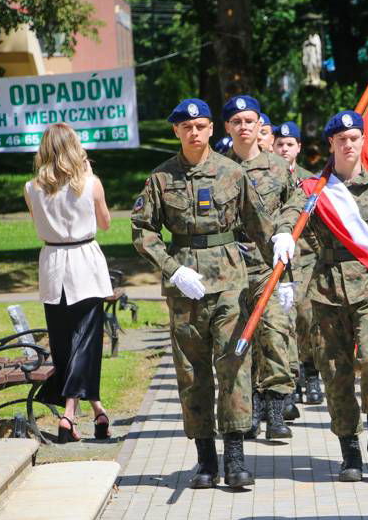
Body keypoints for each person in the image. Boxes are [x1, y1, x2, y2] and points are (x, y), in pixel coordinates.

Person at [131, 98, 273, 489]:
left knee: (233, 366)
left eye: (201, 126)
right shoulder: (161, 179)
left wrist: (281, 261)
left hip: (229, 280)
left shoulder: (232, 173)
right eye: (186, 127)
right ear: (176, 131)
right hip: (186, 288)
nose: (194, 133)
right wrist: (172, 270)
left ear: (212, 129)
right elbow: (142, 231)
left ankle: (236, 457)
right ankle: (206, 460)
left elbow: (259, 224)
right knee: (193, 374)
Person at [275, 110, 368, 481]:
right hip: (327, 290)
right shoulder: (314, 191)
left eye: (354, 138)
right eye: (341, 139)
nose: (348, 144)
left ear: (363, 141)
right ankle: (350, 449)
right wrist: (284, 233)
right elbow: (289, 217)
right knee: (337, 374)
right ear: (331, 144)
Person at [24, 123, 114, 444]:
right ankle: (70, 413)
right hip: (84, 262)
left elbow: (38, 223)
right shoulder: (90, 183)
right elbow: (105, 223)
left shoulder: (31, 187)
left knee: (64, 343)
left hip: (53, 263)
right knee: (85, 342)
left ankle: (97, 411)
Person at [221, 95, 297, 439]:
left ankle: (276, 411)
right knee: (239, 342)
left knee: (276, 337)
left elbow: (296, 207)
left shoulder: (278, 167)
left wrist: (285, 234)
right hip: (231, 269)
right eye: (236, 122)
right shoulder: (217, 167)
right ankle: (248, 409)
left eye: (249, 121)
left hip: (270, 266)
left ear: (259, 126)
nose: (243, 127)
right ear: (227, 128)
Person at [273, 120, 324, 406]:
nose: (284, 148)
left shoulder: (310, 181)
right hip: (278, 262)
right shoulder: (266, 177)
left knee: (306, 319)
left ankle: (311, 371)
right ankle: (289, 381)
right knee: (284, 321)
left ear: (299, 148)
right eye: (279, 144)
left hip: (306, 260)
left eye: (289, 144)